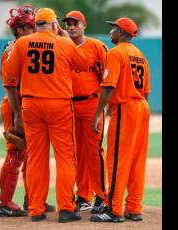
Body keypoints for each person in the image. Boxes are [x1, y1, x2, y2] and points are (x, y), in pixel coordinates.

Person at [2, 8, 90, 223]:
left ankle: (35, 208)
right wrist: (66, 37)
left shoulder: (22, 44)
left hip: (31, 105)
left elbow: (9, 74)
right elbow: (83, 64)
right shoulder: (64, 42)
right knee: (65, 158)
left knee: (36, 159)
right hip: (58, 105)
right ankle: (66, 209)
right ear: (53, 24)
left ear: (37, 24)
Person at [90, 17, 151, 223]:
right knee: (136, 160)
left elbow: (108, 86)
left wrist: (99, 111)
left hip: (126, 107)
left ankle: (113, 208)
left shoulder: (115, 53)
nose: (111, 32)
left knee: (117, 159)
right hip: (142, 107)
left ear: (123, 32)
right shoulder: (140, 55)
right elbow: (147, 92)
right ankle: (134, 208)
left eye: (114, 28)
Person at [0, 5, 54, 217]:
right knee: (16, 152)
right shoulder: (13, 49)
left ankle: (33, 198)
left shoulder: (29, 46)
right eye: (31, 27)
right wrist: (18, 114)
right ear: (20, 29)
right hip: (14, 104)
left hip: (27, 105)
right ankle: (4, 202)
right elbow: (10, 85)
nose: (35, 30)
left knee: (32, 155)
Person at [61, 10, 109, 213]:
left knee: (94, 151)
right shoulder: (61, 46)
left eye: (75, 23)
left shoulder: (97, 46)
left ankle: (102, 195)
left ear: (84, 25)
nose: (71, 26)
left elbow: (108, 78)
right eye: (68, 23)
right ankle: (83, 195)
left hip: (92, 104)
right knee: (76, 154)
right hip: (69, 104)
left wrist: (104, 108)